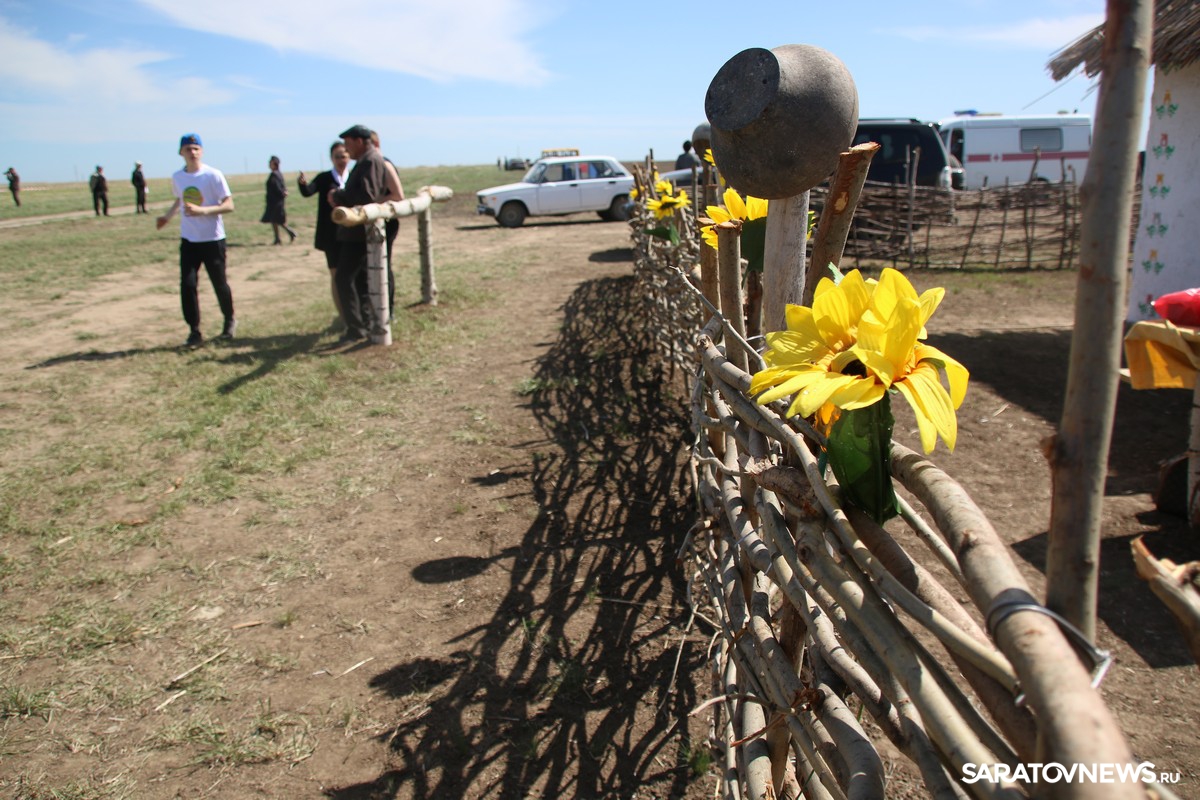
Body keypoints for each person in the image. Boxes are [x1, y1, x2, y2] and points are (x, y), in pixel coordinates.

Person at [156, 133, 236, 348]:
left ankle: (229, 321)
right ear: (181, 153)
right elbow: (180, 199)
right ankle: (194, 331)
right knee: (188, 284)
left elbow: (229, 205)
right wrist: (167, 217)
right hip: (189, 240)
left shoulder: (213, 175)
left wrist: (203, 211)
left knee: (219, 283)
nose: (192, 152)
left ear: (201, 151)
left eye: (196, 148)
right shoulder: (178, 177)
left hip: (213, 239)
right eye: (188, 149)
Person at [328, 124, 387, 347]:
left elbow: (366, 195)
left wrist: (338, 196)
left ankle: (356, 328)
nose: (346, 149)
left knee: (344, 278)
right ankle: (364, 323)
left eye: (348, 143)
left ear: (360, 141)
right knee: (360, 281)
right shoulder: (367, 160)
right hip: (359, 233)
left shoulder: (370, 161)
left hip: (358, 233)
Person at [297, 142, 351, 319]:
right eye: (337, 157)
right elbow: (308, 191)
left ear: (349, 157)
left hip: (352, 234)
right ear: (331, 158)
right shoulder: (324, 178)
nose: (341, 160)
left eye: (343, 156)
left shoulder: (354, 177)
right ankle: (343, 317)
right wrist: (302, 184)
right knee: (336, 275)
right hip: (331, 236)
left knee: (351, 274)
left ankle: (354, 314)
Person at [370, 129, 405, 316]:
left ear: (375, 144)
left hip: (386, 223)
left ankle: (387, 310)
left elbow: (398, 195)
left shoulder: (384, 164)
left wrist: (373, 204)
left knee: (384, 265)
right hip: (376, 223)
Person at [261, 156, 296, 245]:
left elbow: (278, 188)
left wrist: (283, 192)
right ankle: (278, 239)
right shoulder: (278, 174)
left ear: (274, 164)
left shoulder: (275, 175)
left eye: (270, 162)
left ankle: (290, 233)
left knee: (277, 220)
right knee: (275, 220)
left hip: (276, 202)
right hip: (275, 201)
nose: (269, 164)